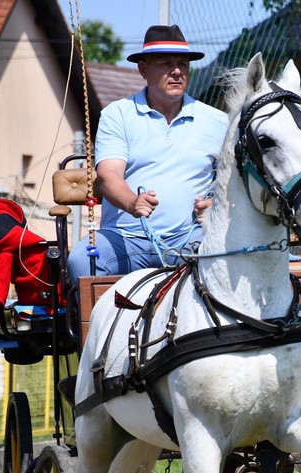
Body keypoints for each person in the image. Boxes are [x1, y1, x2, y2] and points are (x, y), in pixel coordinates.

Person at [67, 25, 230, 284]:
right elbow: (108, 175)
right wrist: (133, 203)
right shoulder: (118, 114)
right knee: (82, 260)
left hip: (192, 240)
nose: (177, 71)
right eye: (166, 63)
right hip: (127, 239)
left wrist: (218, 205)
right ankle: (90, 325)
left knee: (239, 256)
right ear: (143, 69)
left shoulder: (218, 121)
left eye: (183, 64)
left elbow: (233, 182)